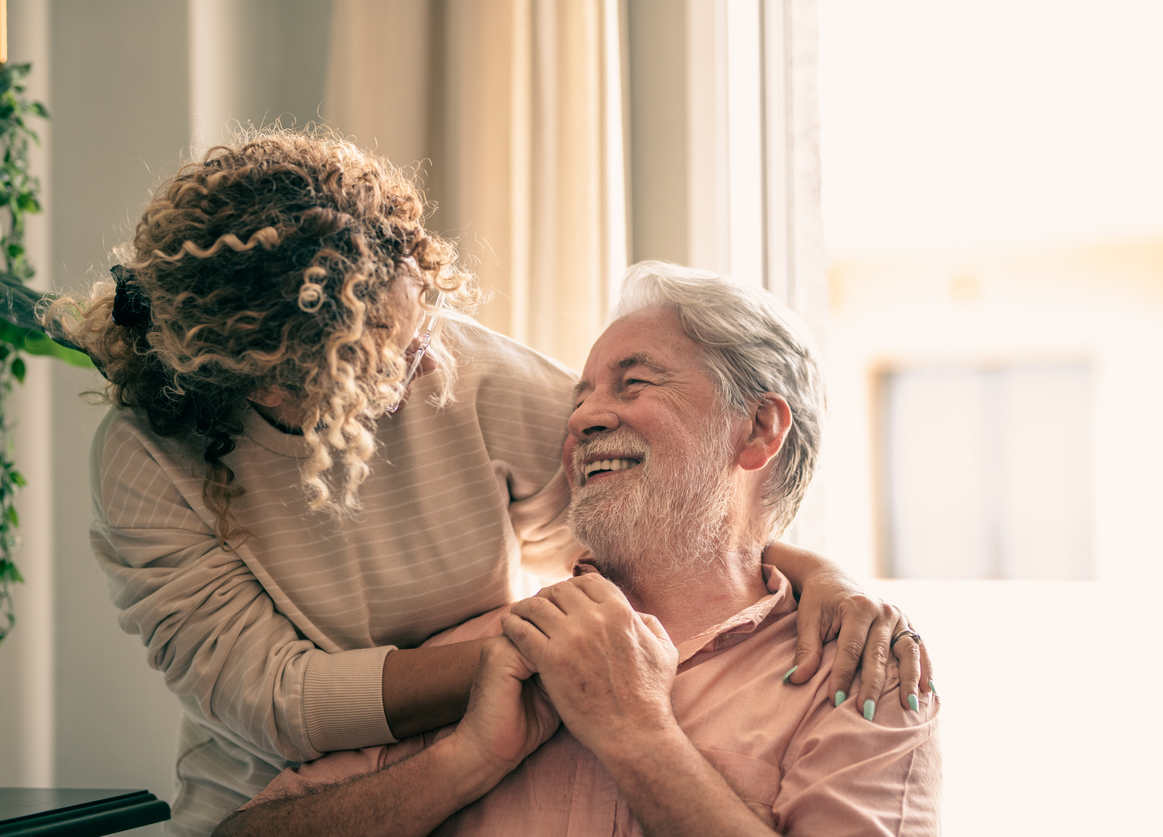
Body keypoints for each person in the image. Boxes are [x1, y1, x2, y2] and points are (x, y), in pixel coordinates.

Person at [46, 130, 931, 837]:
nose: (430, 356)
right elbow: (281, 705)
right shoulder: (148, 463)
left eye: (424, 319)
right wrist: (519, 702)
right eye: (388, 349)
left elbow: (683, 503)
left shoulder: (470, 378)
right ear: (281, 376)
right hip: (282, 776)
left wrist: (819, 577)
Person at [216, 262, 940, 837]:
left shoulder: (866, 682)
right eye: (580, 397)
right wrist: (464, 762)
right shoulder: (484, 653)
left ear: (758, 430)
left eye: (634, 383)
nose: (584, 417)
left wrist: (637, 733)